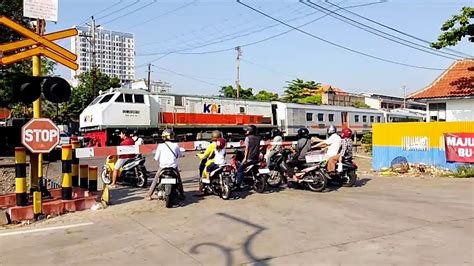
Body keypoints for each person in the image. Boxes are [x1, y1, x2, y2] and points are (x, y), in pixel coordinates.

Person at [144, 129, 184, 200]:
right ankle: (181, 194)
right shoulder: (175, 145)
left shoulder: (160, 146)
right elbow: (179, 154)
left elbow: (156, 158)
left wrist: (155, 158)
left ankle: (149, 194)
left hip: (163, 167)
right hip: (173, 167)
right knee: (178, 178)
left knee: (156, 179)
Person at [235, 125, 261, 190]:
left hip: (250, 158)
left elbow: (247, 149)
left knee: (240, 170)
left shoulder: (248, 138)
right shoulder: (258, 138)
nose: (246, 131)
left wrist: (245, 159)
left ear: (250, 131)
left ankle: (238, 186)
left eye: (247, 130)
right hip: (256, 159)